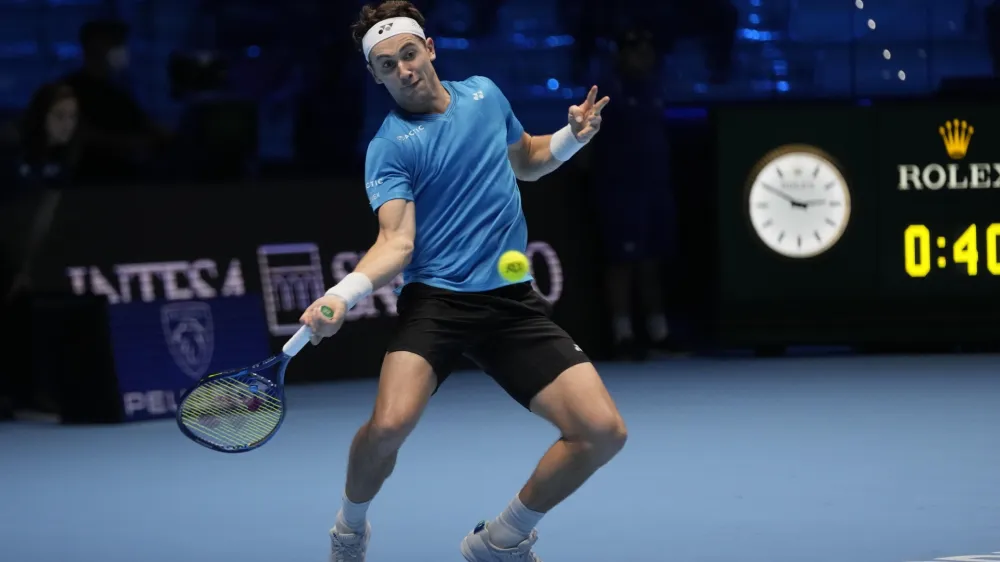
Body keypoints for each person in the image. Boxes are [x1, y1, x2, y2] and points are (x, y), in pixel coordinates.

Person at [297, 2, 627, 561]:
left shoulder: (484, 96)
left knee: (601, 431)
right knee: (387, 427)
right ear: (375, 76)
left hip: (510, 306)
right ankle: (349, 530)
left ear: (429, 48)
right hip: (437, 303)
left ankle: (500, 540)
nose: (403, 68)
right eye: (386, 64)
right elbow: (397, 243)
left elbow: (526, 160)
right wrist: (340, 295)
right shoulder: (391, 146)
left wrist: (571, 138)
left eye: (407, 53)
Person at [591, 27, 677, 360]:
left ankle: (659, 332)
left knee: (651, 260)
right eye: (636, 51)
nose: (645, 56)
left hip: (654, 187)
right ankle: (622, 334)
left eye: (647, 50)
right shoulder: (607, 92)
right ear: (622, 55)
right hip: (620, 191)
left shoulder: (654, 86)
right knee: (621, 262)